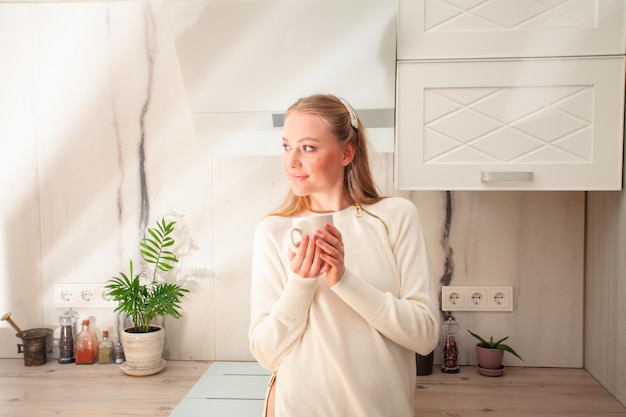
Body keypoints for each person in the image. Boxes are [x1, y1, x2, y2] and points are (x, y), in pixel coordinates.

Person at [248, 94, 439, 417]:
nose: (292, 161)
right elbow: (266, 353)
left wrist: (344, 280)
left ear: (346, 153)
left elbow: (425, 335)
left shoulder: (394, 217)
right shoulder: (274, 231)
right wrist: (301, 283)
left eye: (308, 147)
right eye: (286, 146)